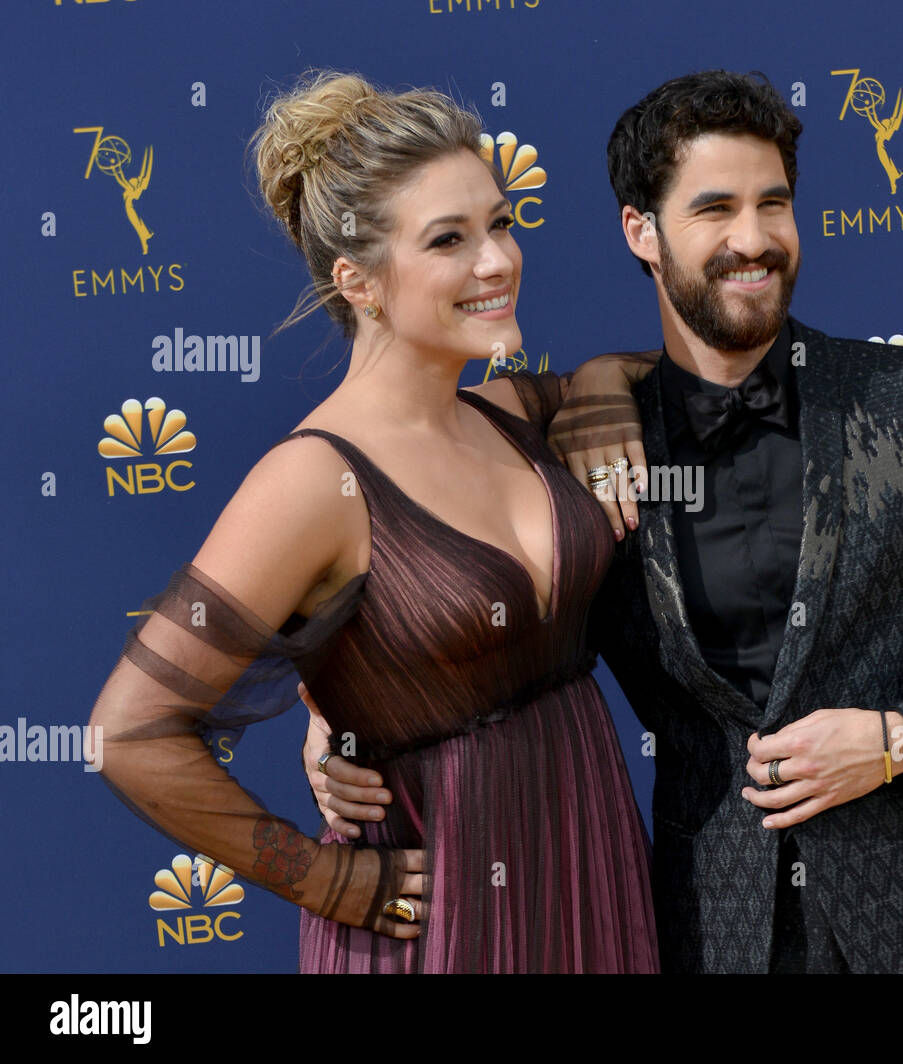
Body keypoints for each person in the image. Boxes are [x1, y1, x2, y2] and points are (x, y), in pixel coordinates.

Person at [311, 69, 903, 974]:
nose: (753, 240)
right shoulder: (580, 459)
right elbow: (454, 608)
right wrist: (344, 710)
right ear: (640, 231)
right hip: (709, 933)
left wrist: (901, 740)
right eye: (714, 209)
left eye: (775, 204)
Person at [89, 70, 659, 973]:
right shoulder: (312, 482)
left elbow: (652, 369)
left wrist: (597, 392)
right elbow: (127, 733)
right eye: (449, 239)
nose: (497, 260)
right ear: (359, 281)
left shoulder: (513, 410)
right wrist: (327, 882)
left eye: (501, 223)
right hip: (445, 913)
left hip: (591, 868)